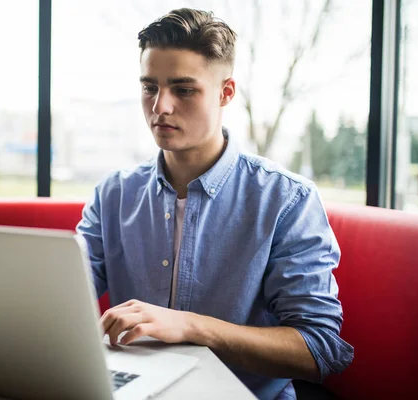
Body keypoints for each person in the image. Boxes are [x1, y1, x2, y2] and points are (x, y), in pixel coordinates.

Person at [76, 8, 353, 400]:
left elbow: (318, 350)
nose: (160, 107)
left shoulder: (287, 199)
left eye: (183, 89)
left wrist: (191, 326)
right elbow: (62, 300)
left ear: (226, 93)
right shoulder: (113, 194)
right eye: (149, 87)